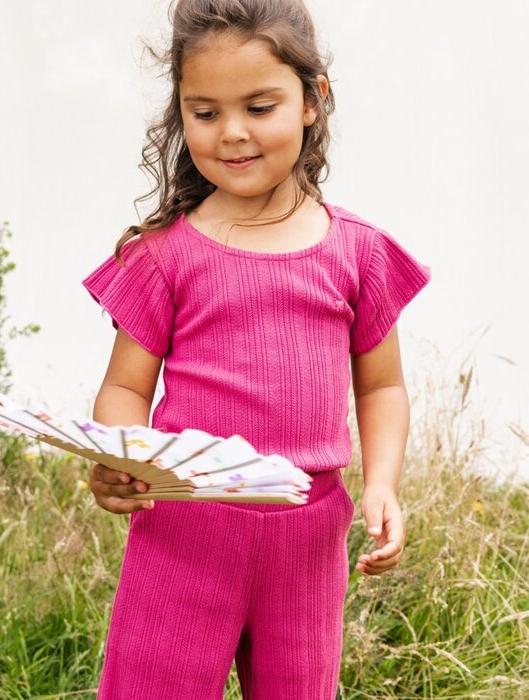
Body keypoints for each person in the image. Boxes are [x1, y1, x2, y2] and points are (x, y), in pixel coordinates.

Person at [82, 0, 432, 697]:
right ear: (179, 113)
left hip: (307, 539)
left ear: (312, 100)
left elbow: (380, 388)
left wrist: (383, 483)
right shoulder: (162, 256)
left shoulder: (357, 251)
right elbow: (126, 387)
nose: (232, 133)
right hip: (183, 528)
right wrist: (118, 455)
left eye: (259, 106)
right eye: (204, 112)